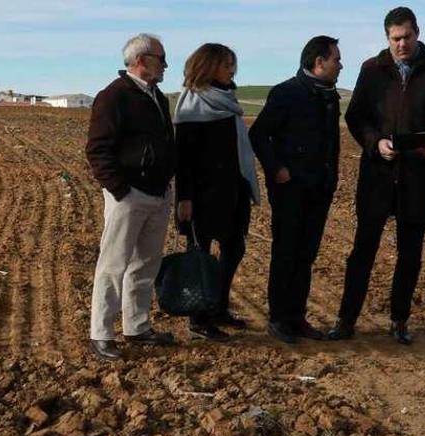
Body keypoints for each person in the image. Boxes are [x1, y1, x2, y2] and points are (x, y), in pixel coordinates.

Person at [329, 7, 425, 344]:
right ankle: (346, 319)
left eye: (406, 37)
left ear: (417, 32)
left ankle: (400, 320)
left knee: (410, 254)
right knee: (362, 251)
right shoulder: (372, 70)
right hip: (378, 174)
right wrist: (376, 143)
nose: (401, 44)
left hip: (419, 174)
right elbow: (357, 116)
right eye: (394, 38)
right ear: (386, 38)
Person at [85, 33, 176, 360]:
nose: (166, 65)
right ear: (142, 60)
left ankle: (137, 327)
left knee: (146, 264)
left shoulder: (157, 97)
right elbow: (97, 149)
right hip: (129, 194)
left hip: (157, 193)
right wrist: (120, 190)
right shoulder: (114, 96)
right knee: (113, 265)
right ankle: (101, 334)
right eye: (162, 58)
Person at [249, 36, 343, 344]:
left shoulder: (327, 96)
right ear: (319, 62)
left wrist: (331, 177)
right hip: (291, 190)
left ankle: (296, 316)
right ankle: (279, 319)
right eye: (336, 59)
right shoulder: (287, 93)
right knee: (286, 252)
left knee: (306, 255)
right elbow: (260, 134)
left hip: (319, 188)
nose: (340, 65)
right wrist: (277, 168)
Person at [173, 43, 260, 342]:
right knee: (200, 257)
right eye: (226, 64)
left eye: (232, 64)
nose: (232, 70)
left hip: (232, 190)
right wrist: (184, 198)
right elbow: (183, 159)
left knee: (234, 248)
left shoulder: (227, 99)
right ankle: (199, 318)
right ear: (209, 67)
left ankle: (218, 307)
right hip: (202, 196)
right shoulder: (192, 105)